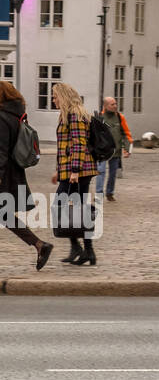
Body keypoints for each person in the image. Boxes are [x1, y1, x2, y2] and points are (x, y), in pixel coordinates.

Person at [0, 82, 53, 270]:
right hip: (12, 173)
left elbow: (1, 151)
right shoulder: (17, 116)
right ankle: (40, 245)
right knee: (4, 214)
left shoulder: (2, 118)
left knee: (4, 214)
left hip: (3, 173)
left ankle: (40, 245)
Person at [51, 83, 97, 266]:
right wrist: (59, 170)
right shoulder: (66, 115)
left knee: (58, 207)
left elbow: (78, 144)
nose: (53, 100)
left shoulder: (75, 114)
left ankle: (79, 248)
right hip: (71, 170)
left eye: (55, 97)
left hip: (80, 171)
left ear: (64, 96)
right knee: (78, 210)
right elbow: (65, 147)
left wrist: (75, 171)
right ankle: (87, 251)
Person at [94, 96, 132, 203]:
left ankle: (110, 193)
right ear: (105, 106)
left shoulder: (120, 117)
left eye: (115, 104)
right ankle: (99, 194)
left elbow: (126, 133)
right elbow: (93, 135)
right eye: (112, 104)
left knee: (113, 173)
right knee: (100, 171)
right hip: (102, 151)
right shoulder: (99, 118)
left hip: (116, 151)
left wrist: (127, 148)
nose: (115, 106)